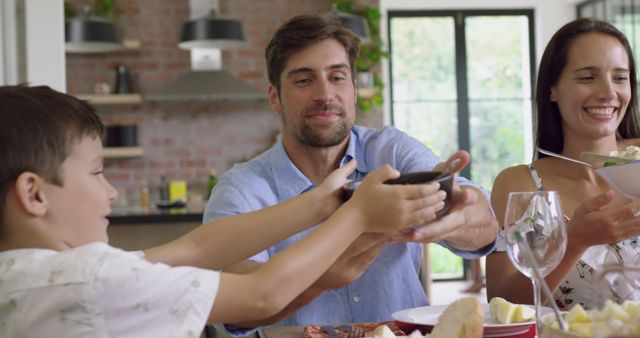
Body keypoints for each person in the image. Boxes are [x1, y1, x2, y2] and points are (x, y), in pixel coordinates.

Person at [0, 84, 444, 337]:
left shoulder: (33, 275)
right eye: (97, 173)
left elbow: (195, 246)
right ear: (34, 194)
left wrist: (314, 206)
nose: (112, 191)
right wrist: (357, 217)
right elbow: (261, 296)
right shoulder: (92, 280)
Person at [204, 14, 498, 332]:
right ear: (274, 96)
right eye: (304, 80)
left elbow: (486, 226)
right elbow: (232, 305)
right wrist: (320, 274)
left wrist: (452, 218)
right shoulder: (241, 189)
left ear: (354, 89)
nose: (325, 94)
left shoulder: (393, 151)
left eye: (338, 77)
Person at [487, 18, 640, 309]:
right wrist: (574, 242)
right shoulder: (520, 184)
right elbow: (500, 304)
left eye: (620, 77)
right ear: (552, 90)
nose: (608, 92)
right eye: (586, 77)